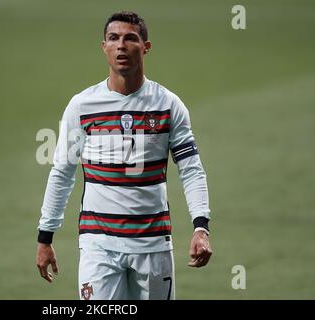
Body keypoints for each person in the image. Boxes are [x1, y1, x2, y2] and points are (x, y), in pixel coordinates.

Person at [36, 11, 212, 300]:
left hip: (152, 245)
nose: (121, 45)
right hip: (98, 246)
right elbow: (62, 172)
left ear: (145, 47)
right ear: (103, 46)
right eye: (113, 38)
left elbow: (191, 169)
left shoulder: (168, 105)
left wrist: (201, 227)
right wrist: (45, 237)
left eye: (130, 38)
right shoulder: (82, 106)